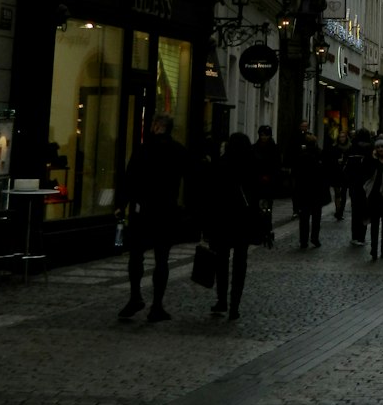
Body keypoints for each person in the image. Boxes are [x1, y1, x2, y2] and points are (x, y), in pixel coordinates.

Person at [117, 112, 189, 322]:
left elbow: (129, 178)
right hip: (166, 211)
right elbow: (191, 177)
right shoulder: (178, 151)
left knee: (136, 255)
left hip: (143, 210)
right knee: (162, 259)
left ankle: (135, 296)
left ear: (157, 126)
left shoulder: (143, 149)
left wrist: (122, 204)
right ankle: (157, 305)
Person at [203, 132, 260, 321]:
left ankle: (221, 299)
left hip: (222, 220)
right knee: (240, 263)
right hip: (243, 220)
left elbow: (210, 195)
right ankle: (235, 304)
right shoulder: (251, 164)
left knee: (221, 260)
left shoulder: (221, 163)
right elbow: (256, 194)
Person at [291, 132, 330, 248]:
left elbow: (297, 174)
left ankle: (304, 240)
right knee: (316, 217)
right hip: (316, 190)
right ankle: (314, 237)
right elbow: (324, 173)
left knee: (304, 218)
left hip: (304, 191)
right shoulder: (319, 154)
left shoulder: (302, 156)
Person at [250, 124, 282, 248]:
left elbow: (277, 166)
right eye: (262, 135)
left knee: (267, 209)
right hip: (257, 184)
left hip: (269, 184)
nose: (264, 137)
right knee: (256, 208)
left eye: (266, 135)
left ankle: (267, 230)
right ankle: (258, 231)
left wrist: (271, 177)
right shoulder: (254, 148)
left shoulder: (274, 149)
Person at [345, 128, 372, 246]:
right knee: (365, 211)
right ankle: (362, 236)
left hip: (354, 184)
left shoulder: (352, 148)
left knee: (355, 211)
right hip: (366, 184)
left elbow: (348, 167)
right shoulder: (370, 149)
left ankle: (355, 236)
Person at [330, 129, 353, 220]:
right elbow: (330, 159)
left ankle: (340, 211)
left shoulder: (350, 147)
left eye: (343, 137)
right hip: (336, 172)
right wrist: (336, 161)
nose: (342, 138)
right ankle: (337, 210)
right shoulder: (334, 147)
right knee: (337, 193)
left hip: (345, 173)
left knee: (343, 193)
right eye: (340, 137)